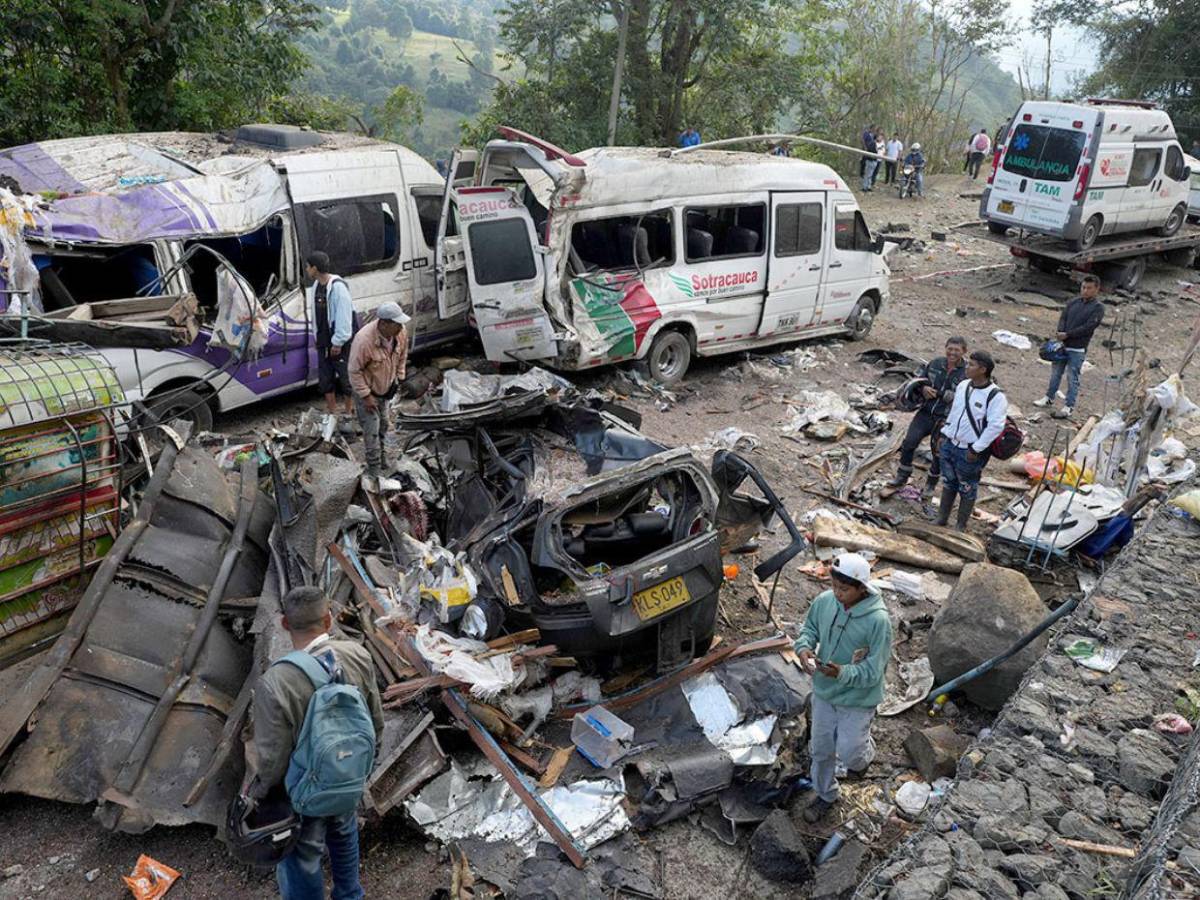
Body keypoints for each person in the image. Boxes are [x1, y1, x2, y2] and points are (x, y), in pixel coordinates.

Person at [245, 586, 384, 900]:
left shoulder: (276, 682)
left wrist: (261, 794)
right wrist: (361, 769)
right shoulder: (358, 655)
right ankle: (350, 895)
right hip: (348, 773)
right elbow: (376, 721)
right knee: (344, 830)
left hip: (305, 789)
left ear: (284, 624)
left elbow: (272, 757)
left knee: (303, 854)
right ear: (329, 619)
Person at [793, 553, 893, 824]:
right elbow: (809, 629)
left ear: (862, 588)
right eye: (834, 586)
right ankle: (826, 795)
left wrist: (842, 672)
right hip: (825, 692)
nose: (837, 593)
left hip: (858, 699)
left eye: (844, 589)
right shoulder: (825, 602)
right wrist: (803, 649)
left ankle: (864, 753)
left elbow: (874, 672)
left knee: (851, 755)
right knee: (821, 748)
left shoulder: (878, 622)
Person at [887, 336, 968, 497]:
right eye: (950, 349)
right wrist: (923, 388)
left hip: (946, 419)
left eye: (956, 350)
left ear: (964, 351)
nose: (952, 353)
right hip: (925, 413)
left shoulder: (967, 373)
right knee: (909, 443)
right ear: (945, 348)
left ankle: (930, 485)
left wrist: (939, 393)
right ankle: (901, 477)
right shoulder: (936, 363)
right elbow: (919, 380)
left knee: (938, 453)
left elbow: (962, 398)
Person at [937, 350, 1007, 531]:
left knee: (967, 488)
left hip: (970, 451)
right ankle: (942, 519)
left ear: (983, 369)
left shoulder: (995, 397)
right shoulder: (964, 385)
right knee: (948, 482)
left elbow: (995, 426)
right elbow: (955, 411)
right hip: (951, 444)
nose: (967, 367)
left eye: (971, 365)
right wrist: (945, 435)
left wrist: (976, 449)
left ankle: (960, 525)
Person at [348, 302, 410, 477]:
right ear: (384, 324)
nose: (401, 327)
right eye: (396, 324)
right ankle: (374, 470)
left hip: (386, 387)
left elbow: (403, 354)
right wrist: (366, 397)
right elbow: (354, 371)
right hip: (367, 391)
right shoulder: (363, 341)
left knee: (383, 423)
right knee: (372, 430)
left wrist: (399, 377)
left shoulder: (401, 332)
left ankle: (382, 459)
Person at [1034, 274, 1105, 419]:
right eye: (1083, 287)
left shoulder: (1098, 308)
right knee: (1055, 373)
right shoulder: (1073, 302)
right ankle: (1049, 397)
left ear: (1097, 289)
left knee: (1072, 377)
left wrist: (1069, 334)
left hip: (1077, 348)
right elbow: (1063, 317)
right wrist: (1061, 331)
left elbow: (1089, 327)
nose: (1085, 290)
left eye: (1089, 288)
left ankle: (1069, 406)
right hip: (1062, 345)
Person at [305, 251, 357, 430]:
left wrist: (338, 342)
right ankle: (333, 412)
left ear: (315, 268)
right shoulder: (316, 286)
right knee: (325, 378)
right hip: (323, 340)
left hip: (338, 341)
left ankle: (349, 412)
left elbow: (344, 317)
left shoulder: (337, 287)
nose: (307, 269)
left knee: (346, 377)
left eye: (308, 266)